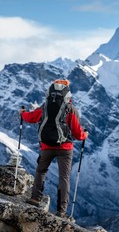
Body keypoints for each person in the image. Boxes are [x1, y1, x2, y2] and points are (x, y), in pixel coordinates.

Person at [19, 79, 88, 218]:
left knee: (41, 171)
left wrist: (22, 113)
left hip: (46, 146)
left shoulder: (45, 106)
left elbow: (31, 118)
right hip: (65, 148)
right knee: (64, 177)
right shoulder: (71, 109)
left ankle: (35, 198)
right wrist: (84, 134)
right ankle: (61, 211)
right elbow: (77, 133)